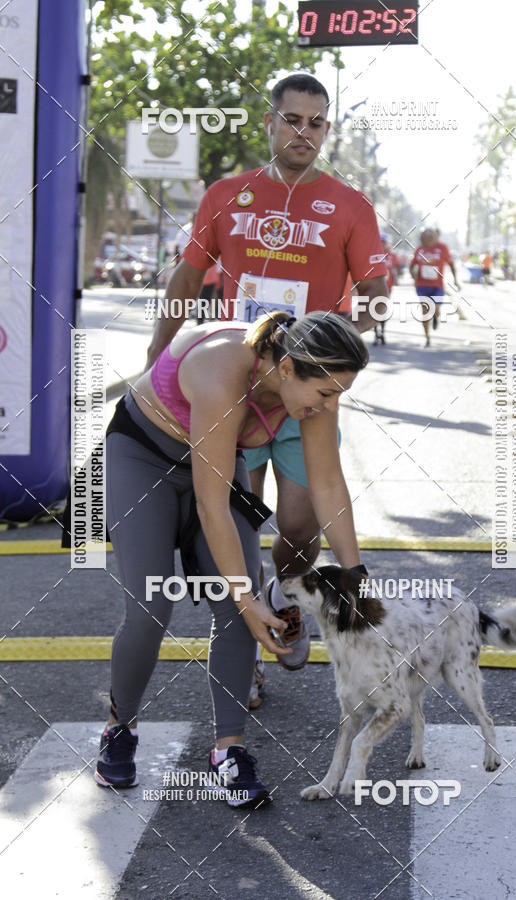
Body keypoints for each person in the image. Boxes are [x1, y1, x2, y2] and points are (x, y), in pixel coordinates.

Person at [145, 73, 388, 705]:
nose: (303, 132)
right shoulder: (228, 194)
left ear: (326, 130)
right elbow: (186, 277)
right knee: (234, 516)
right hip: (241, 383)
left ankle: (286, 591)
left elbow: (380, 299)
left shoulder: (351, 205)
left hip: (304, 390)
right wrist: (156, 352)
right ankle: (247, 642)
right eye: (292, 120)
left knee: (302, 526)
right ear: (269, 123)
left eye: (316, 123)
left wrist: (334, 334)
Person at [95, 311, 370, 808]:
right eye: (326, 394)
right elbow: (211, 504)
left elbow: (328, 484)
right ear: (286, 369)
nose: (330, 405)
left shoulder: (311, 384)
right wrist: (247, 599)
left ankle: (229, 752)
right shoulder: (224, 368)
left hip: (215, 469)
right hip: (142, 458)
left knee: (236, 607)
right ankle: (120, 727)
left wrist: (355, 579)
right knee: (151, 607)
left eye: (338, 395)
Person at [410, 228, 460, 347]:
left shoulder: (442, 248)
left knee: (435, 310)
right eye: (425, 238)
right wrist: (413, 274)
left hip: (437, 286)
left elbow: (451, 264)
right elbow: (412, 265)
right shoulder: (419, 250)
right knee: (425, 311)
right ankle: (427, 336)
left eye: (430, 237)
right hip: (422, 286)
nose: (427, 240)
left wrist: (456, 280)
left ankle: (436, 316)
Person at [373, 233, 401, 345]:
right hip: (374, 287)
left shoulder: (391, 255)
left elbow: (397, 267)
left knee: (383, 310)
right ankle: (376, 334)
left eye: (383, 242)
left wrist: (396, 279)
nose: (382, 244)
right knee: (373, 310)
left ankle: (382, 332)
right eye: (380, 241)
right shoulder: (372, 253)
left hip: (387, 288)